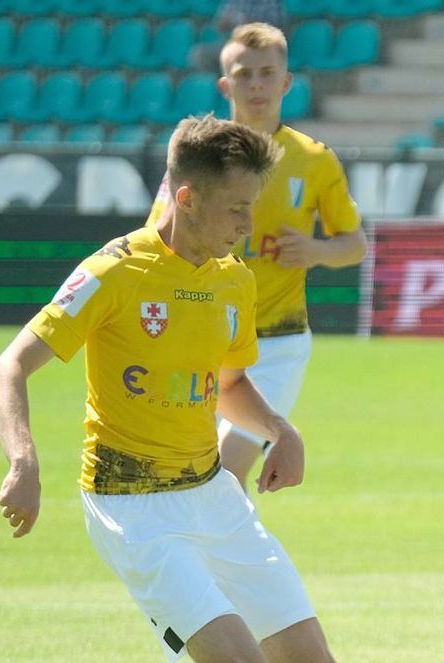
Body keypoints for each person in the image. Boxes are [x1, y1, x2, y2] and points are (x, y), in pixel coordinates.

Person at [0, 114, 345, 663]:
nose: (249, 226)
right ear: (185, 197)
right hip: (130, 503)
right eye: (236, 210)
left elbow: (226, 382)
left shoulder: (230, 277)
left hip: (209, 491)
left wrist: (278, 430)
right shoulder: (114, 272)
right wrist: (24, 460)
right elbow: (9, 366)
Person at [157, 22, 368, 490]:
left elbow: (354, 245)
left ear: (286, 82)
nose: (256, 84)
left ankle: (219, 560)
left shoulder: (314, 160)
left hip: (278, 343)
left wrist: (314, 249)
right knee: (192, 473)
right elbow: (161, 233)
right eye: (244, 73)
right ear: (224, 84)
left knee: (227, 469)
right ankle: (212, 559)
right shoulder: (199, 155)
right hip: (204, 336)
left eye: (267, 73)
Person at [190, 0, 286, 71]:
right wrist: (223, 22)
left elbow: (276, 29)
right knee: (199, 55)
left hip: (258, 45)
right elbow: (219, 27)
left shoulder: (270, 2)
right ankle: (217, 91)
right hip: (233, 42)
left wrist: (249, 23)